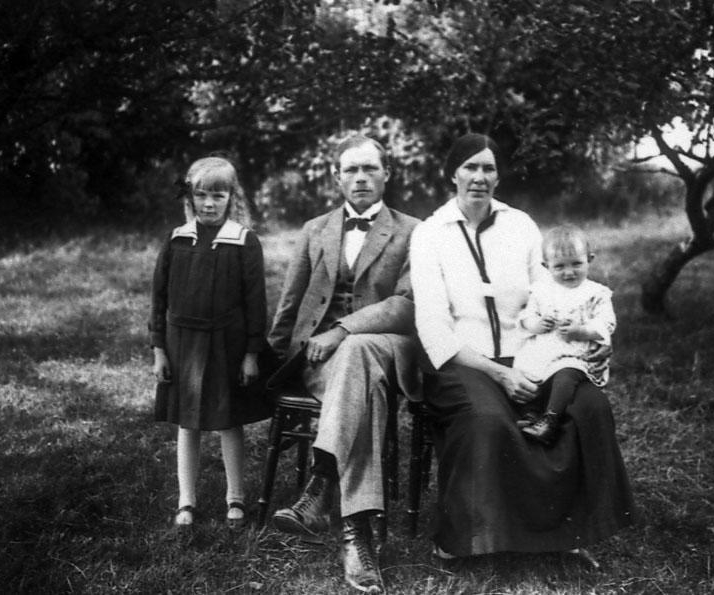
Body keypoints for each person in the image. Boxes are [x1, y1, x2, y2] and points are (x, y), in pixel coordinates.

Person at [409, 133, 634, 562]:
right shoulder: (429, 234)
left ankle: (566, 532)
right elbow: (433, 327)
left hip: (532, 351)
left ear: (498, 176)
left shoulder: (520, 225)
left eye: (488, 168)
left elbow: (555, 295)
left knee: (587, 407)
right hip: (462, 360)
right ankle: (469, 539)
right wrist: (500, 373)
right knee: (490, 420)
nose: (479, 177)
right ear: (452, 174)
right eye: (470, 167)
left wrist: (594, 341)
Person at [267, 135, 420, 594]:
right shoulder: (315, 229)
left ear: (387, 174)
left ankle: (321, 485)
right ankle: (358, 536)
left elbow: (407, 304)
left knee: (356, 351)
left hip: (386, 350)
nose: (361, 178)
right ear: (337, 178)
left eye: (370, 168)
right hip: (320, 362)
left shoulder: (413, 230)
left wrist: (343, 330)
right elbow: (290, 303)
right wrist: (271, 358)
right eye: (351, 170)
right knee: (363, 389)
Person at [149, 155, 270, 531]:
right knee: (188, 424)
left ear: (232, 197)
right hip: (182, 343)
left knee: (229, 421)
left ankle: (236, 497)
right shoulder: (177, 239)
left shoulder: (243, 241)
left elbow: (256, 302)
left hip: (227, 344)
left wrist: (251, 353)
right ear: (190, 197)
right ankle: (186, 500)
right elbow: (159, 297)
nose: (209, 203)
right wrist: (159, 348)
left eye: (218, 195)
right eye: (201, 195)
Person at [513, 224, 616, 446]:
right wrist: (537, 324)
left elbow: (606, 323)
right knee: (526, 371)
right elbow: (527, 316)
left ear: (589, 259)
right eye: (559, 266)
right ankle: (531, 413)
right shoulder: (541, 290)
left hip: (575, 352)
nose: (569, 272)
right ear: (546, 266)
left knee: (565, 374)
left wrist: (582, 330)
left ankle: (551, 420)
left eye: (576, 264)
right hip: (544, 349)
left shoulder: (595, 293)